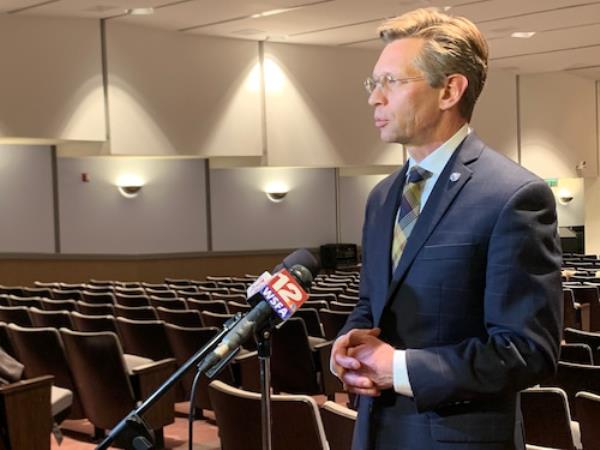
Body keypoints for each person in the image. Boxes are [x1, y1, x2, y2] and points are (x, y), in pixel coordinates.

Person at [331, 8, 562, 450]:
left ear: (450, 90)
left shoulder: (513, 196)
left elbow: (526, 352)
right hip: (376, 433)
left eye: (391, 82)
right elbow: (370, 305)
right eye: (372, 83)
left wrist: (397, 368)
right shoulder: (383, 196)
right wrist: (349, 344)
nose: (374, 99)